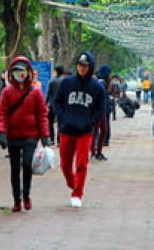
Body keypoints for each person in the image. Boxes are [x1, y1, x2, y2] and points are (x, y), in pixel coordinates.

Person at [52, 51, 106, 208]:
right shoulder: (66, 83)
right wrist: (64, 117)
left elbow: (100, 109)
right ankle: (73, 183)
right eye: (80, 65)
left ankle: (77, 193)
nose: (82, 69)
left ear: (90, 67)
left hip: (85, 131)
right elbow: (57, 102)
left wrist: (90, 122)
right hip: (67, 129)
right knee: (65, 164)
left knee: (82, 163)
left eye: (85, 66)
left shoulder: (97, 87)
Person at [0, 56, 50, 212]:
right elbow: (2, 114)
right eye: (16, 71)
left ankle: (26, 195)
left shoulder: (36, 93)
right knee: (14, 168)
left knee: (27, 164)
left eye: (23, 71)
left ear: (28, 72)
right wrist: (1, 132)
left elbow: (42, 115)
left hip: (30, 136)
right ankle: (16, 200)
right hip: (13, 136)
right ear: (11, 73)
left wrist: (45, 135)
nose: (20, 74)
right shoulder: (7, 92)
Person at [91, 65, 113, 161]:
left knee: (101, 131)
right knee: (98, 131)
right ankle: (94, 152)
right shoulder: (101, 83)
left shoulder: (100, 82)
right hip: (99, 111)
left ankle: (97, 152)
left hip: (101, 110)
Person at [45, 65, 65, 146]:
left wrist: (45, 104)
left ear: (56, 72)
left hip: (53, 105)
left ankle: (52, 139)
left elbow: (48, 94)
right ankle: (59, 141)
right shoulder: (64, 81)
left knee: (50, 122)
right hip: (62, 106)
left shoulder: (51, 81)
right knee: (60, 123)